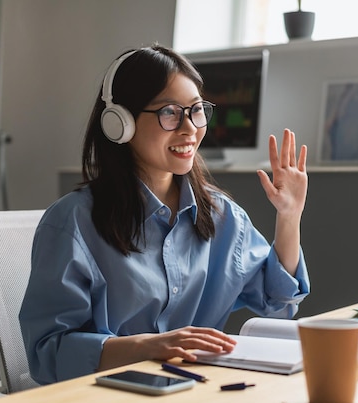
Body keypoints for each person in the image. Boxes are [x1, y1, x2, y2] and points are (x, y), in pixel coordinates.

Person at [19, 44, 310, 385]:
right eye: (170, 112)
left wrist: (289, 217)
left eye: (197, 110)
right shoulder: (73, 223)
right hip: (106, 402)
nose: (190, 129)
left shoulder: (222, 216)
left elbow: (279, 304)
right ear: (120, 123)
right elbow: (47, 354)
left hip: (193, 396)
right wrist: (149, 346)